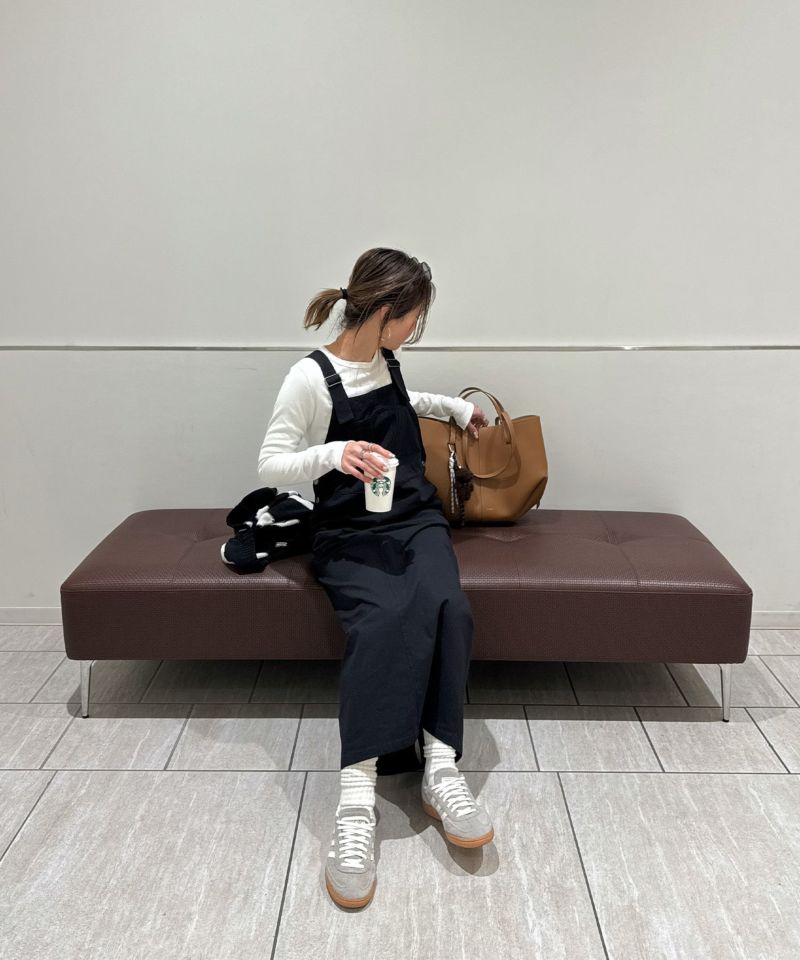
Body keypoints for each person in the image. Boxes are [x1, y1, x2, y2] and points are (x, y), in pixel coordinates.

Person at [257, 247, 493, 910]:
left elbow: (401, 401)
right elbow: (270, 461)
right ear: (388, 312)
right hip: (348, 533)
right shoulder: (309, 378)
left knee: (449, 605)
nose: (415, 330)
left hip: (414, 519)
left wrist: (452, 408)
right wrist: (334, 452)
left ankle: (440, 766)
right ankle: (356, 798)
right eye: (414, 318)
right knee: (382, 620)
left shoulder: (386, 360)